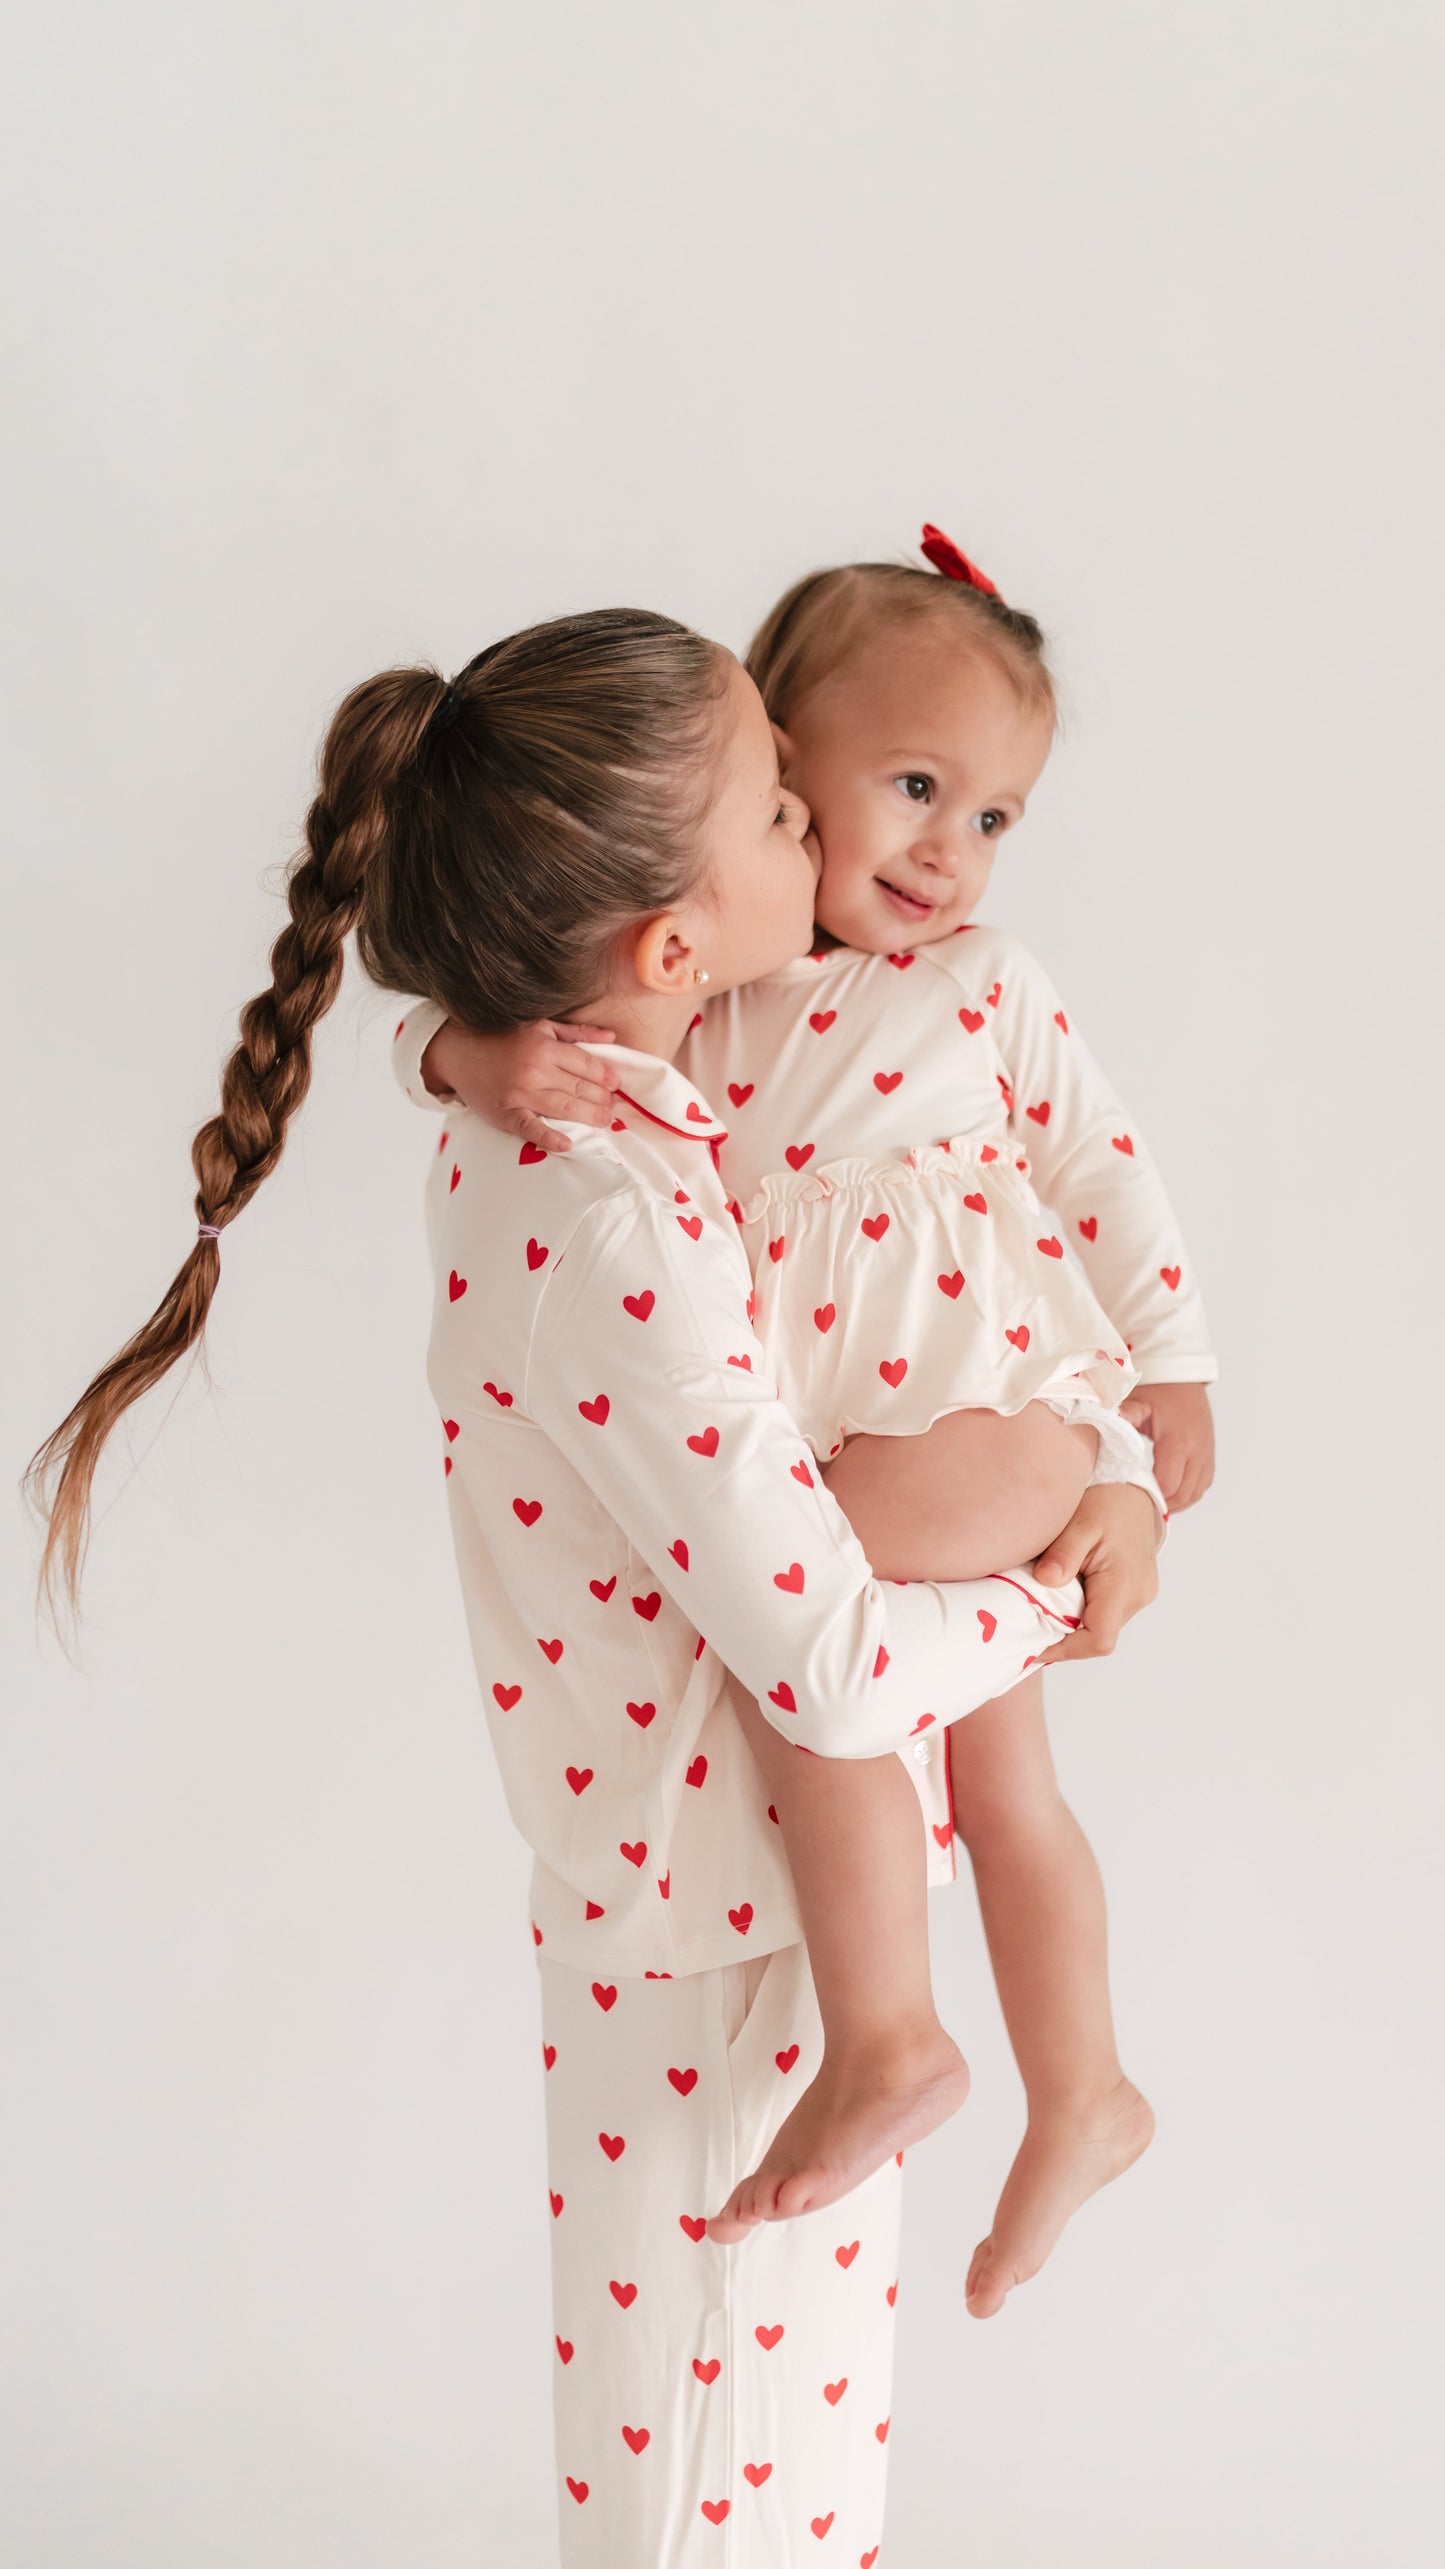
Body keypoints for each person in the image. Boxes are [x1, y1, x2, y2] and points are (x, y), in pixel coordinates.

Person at [26, 606, 1161, 2564]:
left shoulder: (606, 1109)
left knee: (781, 2489)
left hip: (756, 1904)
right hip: (714, 1919)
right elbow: (825, 1653)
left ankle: (1050, 2085)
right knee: (707, 2496)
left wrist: (449, 1042)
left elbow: (1059, 1183)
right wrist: (1072, 1551)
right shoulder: (604, 1203)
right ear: (669, 949)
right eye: (784, 811)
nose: (830, 834)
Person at [392, 526, 1209, 2329]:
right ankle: (1069, 2087)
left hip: (986, 1408)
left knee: (818, 1659)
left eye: (991, 816)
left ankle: (910, 2038)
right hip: (869, 1431)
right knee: (993, 1779)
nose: (946, 849)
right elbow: (554, 1001)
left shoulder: (977, 984)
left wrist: (1161, 1395)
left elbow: (1105, 1172)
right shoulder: (713, 993)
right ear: (785, 766)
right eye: (904, 788)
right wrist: (456, 1050)